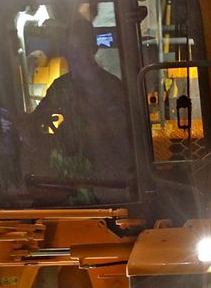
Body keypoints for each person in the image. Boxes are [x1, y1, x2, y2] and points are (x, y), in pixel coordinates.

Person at [19, 11, 135, 195]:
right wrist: (26, 124)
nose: (72, 55)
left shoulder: (112, 87)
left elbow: (119, 131)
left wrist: (84, 128)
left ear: (91, 49)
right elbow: (38, 117)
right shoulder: (61, 86)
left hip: (109, 182)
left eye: (77, 48)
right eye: (68, 49)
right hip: (69, 179)